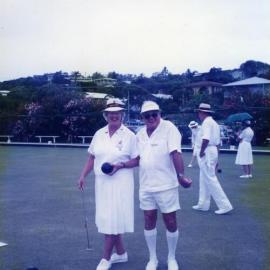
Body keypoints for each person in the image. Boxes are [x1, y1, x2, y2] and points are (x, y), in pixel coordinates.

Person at [78, 98, 138, 270]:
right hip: (102, 183)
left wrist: (120, 165)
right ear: (106, 115)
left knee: (112, 219)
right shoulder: (99, 134)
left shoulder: (129, 135)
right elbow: (92, 157)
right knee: (108, 218)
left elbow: (137, 160)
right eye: (111, 113)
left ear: (122, 114)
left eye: (117, 112)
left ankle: (105, 258)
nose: (114, 116)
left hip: (121, 183)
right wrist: (83, 175)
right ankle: (120, 253)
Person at [136, 101, 185, 270]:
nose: (151, 118)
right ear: (142, 117)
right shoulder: (140, 134)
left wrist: (181, 176)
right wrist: (119, 165)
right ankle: (153, 259)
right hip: (146, 186)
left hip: (166, 185)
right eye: (147, 115)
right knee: (149, 219)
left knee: (170, 221)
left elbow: (175, 153)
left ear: (159, 113)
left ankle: (171, 258)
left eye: (154, 114)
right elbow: (137, 159)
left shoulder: (169, 128)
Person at [193, 103, 233, 215]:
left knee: (210, 178)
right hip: (212, 150)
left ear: (202, 112)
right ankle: (203, 204)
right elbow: (217, 143)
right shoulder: (214, 123)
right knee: (204, 178)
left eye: (199, 112)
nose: (198, 115)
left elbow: (205, 139)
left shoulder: (206, 123)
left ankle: (225, 205)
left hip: (206, 151)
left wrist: (201, 153)